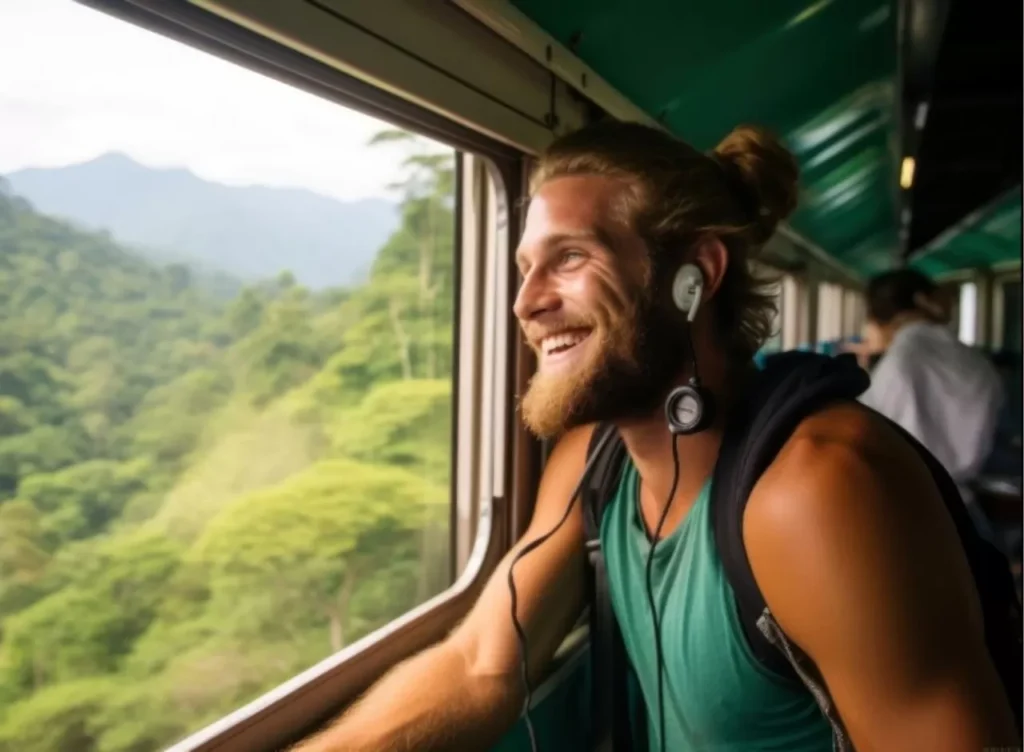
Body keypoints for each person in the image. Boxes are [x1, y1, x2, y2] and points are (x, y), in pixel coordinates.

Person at [291, 121, 1017, 751]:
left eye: (570, 257)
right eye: (523, 267)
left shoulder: (820, 490)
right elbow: (482, 665)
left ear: (694, 276)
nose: (526, 302)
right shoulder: (593, 459)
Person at [857, 269, 1005, 492]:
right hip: (964, 493)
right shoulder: (974, 359)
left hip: (908, 496)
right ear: (923, 300)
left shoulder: (896, 364)